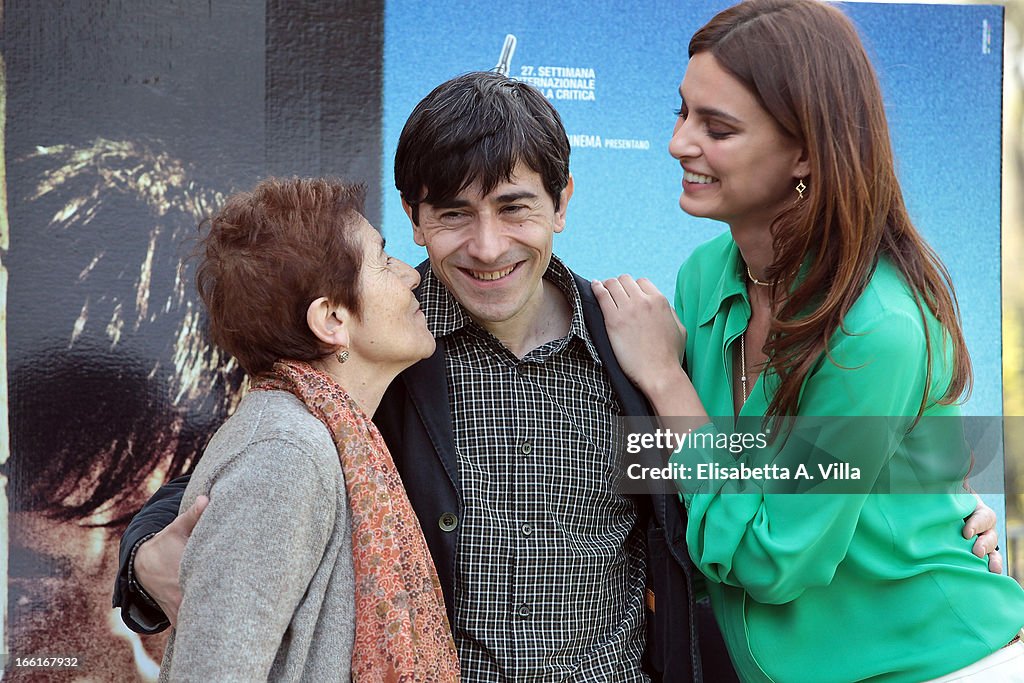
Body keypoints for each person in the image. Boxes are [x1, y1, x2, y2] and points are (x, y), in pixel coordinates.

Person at [115, 73, 1001, 683]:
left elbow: (766, 476)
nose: (488, 246)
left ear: (564, 204)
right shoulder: (391, 361)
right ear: (414, 220)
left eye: (514, 208)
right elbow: (237, 472)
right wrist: (143, 562)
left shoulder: (647, 351)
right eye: (453, 215)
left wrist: (937, 511)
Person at [592, 1, 1024, 681]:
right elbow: (708, 477)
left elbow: (770, 559)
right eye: (682, 112)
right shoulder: (705, 277)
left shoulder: (875, 327)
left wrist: (667, 383)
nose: (679, 142)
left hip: (942, 663)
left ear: (804, 150)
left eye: (717, 127)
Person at [152, 177, 459, 681]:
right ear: (332, 318)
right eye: (382, 261)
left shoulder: (321, 436)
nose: (411, 276)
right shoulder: (285, 453)